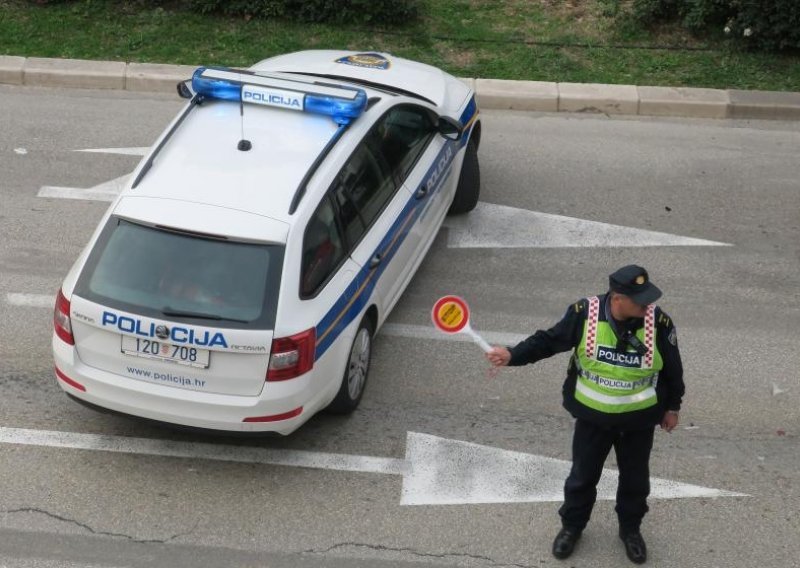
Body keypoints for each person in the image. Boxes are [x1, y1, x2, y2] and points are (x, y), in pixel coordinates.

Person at [486, 265, 684, 564]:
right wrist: (514, 355)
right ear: (617, 298)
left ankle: (630, 530)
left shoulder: (659, 322)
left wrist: (673, 406)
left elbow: (672, 368)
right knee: (582, 477)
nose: (647, 306)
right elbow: (549, 341)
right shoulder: (584, 313)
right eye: (640, 301)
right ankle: (571, 528)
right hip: (593, 421)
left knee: (635, 481)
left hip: (638, 422)